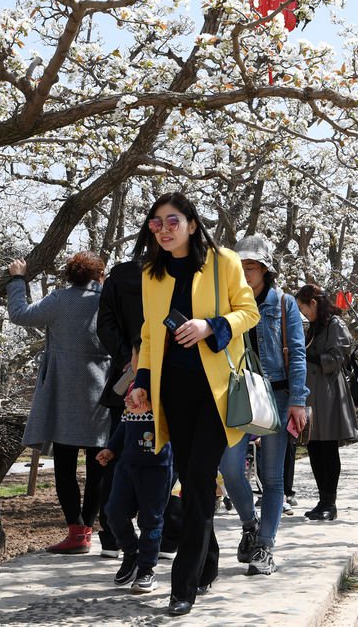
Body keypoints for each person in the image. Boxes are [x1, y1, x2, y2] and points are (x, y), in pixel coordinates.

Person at [127, 192, 260, 617]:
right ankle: (209, 560)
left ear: (191, 223)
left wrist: (211, 326)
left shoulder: (224, 262)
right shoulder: (151, 273)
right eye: (156, 223)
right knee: (192, 478)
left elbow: (248, 312)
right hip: (174, 392)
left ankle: (182, 586)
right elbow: (149, 333)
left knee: (199, 477)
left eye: (172, 221)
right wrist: (142, 382)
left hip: (217, 392)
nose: (164, 230)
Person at [7, 252, 110, 554]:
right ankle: (88, 530)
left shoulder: (59, 300)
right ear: (99, 276)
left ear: (70, 276)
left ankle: (76, 533)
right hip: (101, 393)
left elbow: (19, 314)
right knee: (98, 465)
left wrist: (17, 279)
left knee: (65, 465)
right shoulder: (109, 300)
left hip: (63, 392)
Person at [219, 234, 308, 576]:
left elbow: (297, 354)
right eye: (240, 267)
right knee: (229, 468)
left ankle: (264, 546)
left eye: (252, 266)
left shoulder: (284, 304)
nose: (245, 273)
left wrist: (298, 401)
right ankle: (248, 525)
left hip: (278, 395)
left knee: (272, 479)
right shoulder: (226, 303)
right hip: (238, 394)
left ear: (266, 270)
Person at [96, 224, 182, 561]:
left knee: (122, 455)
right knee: (168, 459)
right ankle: (165, 534)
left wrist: (127, 359)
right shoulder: (181, 276)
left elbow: (104, 324)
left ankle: (115, 535)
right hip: (166, 373)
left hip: (132, 373)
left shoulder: (120, 276)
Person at [96, 341, 171, 594]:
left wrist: (157, 407)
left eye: (137, 354)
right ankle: (132, 552)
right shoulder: (132, 388)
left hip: (156, 466)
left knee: (151, 520)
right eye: (133, 354)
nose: (133, 359)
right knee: (113, 512)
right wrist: (111, 448)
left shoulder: (164, 385)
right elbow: (125, 424)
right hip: (127, 464)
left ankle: (147, 569)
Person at [295, 284, 358, 520]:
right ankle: (322, 500)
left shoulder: (335, 324)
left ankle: (330, 503)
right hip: (312, 393)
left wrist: (306, 354)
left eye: (304, 308)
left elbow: (336, 358)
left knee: (328, 449)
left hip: (329, 394)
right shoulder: (313, 327)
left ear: (314, 304)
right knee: (314, 447)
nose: (303, 313)